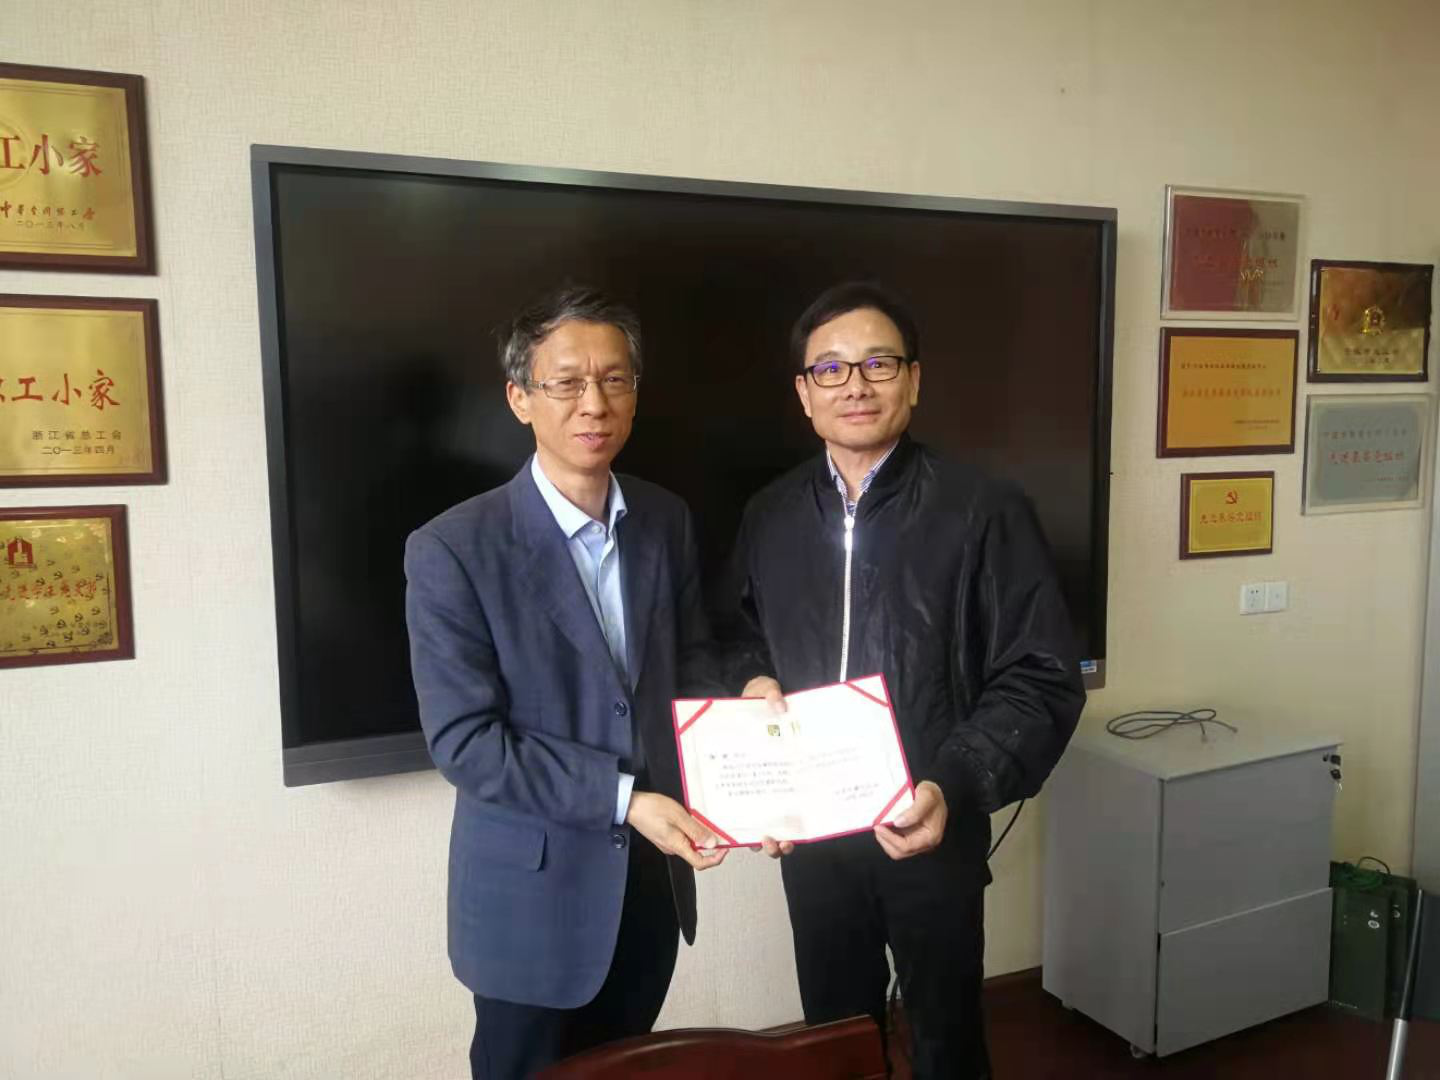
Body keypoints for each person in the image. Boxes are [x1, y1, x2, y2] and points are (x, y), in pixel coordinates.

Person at [722, 281, 1086, 1079]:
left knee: (946, 1041)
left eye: (878, 364)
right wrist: (750, 685)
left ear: (914, 381)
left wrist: (952, 781)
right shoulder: (769, 516)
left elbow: (1041, 675)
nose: (855, 385)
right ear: (804, 394)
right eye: (831, 369)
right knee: (835, 1041)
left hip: (931, 823)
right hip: (814, 838)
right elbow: (736, 639)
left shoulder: (984, 511)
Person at [404, 285, 726, 1079]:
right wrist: (627, 799)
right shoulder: (453, 548)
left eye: (615, 379)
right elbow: (466, 743)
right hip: (528, 906)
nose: (594, 403)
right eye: (567, 382)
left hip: (646, 889)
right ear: (520, 398)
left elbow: (692, 670)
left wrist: (752, 775)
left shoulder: (666, 520)